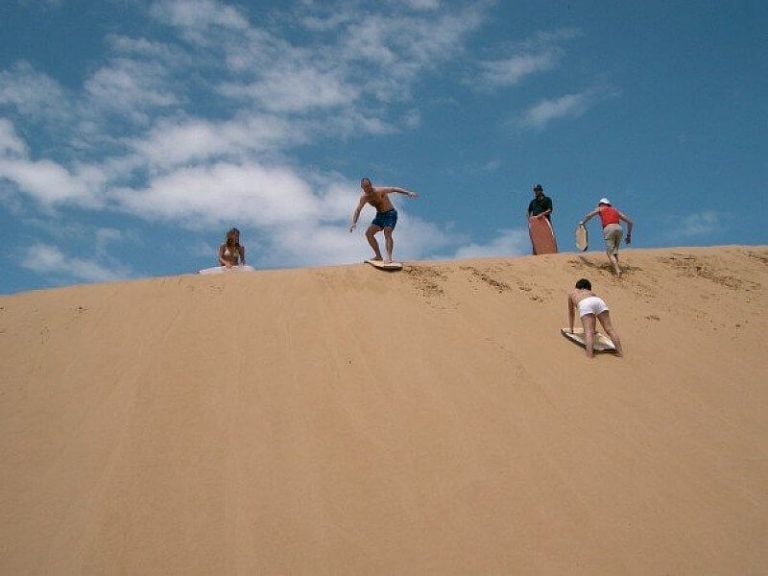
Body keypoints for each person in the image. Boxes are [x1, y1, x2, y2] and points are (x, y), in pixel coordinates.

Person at [349, 177, 418, 263]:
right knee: (368, 234)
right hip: (380, 216)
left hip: (390, 214)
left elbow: (394, 189)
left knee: (387, 232)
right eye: (366, 187)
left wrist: (408, 193)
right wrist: (354, 222)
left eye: (369, 185)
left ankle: (389, 257)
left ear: (371, 184)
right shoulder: (364, 198)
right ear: (362, 187)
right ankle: (378, 256)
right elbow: (358, 210)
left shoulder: (379, 191)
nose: (368, 188)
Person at [567, 278, 624, 358]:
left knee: (588, 332)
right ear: (588, 287)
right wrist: (594, 329)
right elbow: (594, 313)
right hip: (598, 301)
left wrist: (571, 329)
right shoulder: (591, 293)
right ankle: (620, 353)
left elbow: (571, 313)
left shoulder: (572, 293)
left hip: (585, 303)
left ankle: (589, 355)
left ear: (577, 286)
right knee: (610, 329)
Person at [579, 198, 633, 277]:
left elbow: (589, 215)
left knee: (609, 253)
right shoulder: (615, 210)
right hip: (619, 229)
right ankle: (614, 268)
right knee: (614, 251)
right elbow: (630, 222)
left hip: (609, 228)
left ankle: (618, 271)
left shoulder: (601, 208)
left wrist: (583, 222)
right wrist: (628, 236)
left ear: (601, 204)